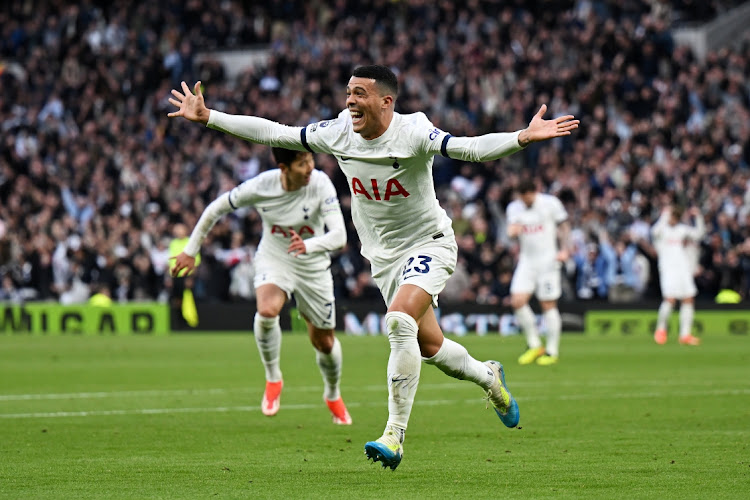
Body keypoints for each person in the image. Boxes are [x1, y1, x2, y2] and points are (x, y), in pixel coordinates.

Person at [167, 65, 578, 469]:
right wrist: (209, 118)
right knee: (429, 347)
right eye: (348, 92)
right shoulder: (339, 131)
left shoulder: (413, 131)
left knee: (399, 320)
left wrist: (521, 137)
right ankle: (489, 377)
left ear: (386, 101)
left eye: (359, 93)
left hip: (429, 243)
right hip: (383, 257)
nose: (350, 101)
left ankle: (394, 435)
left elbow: (469, 148)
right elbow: (277, 132)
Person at [170, 147, 352, 425]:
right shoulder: (261, 186)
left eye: (310, 161)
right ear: (284, 167)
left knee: (324, 342)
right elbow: (215, 208)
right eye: (302, 163)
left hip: (313, 262)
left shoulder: (320, 183)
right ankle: (273, 378)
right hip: (275, 256)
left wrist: (309, 245)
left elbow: (339, 236)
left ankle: (332, 394)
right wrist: (191, 249)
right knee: (267, 310)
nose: (309, 168)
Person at [506, 179, 570, 366]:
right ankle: (534, 344)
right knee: (517, 300)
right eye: (523, 198)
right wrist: (512, 232)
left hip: (548, 261)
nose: (526, 201)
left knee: (547, 304)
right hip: (527, 261)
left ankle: (552, 350)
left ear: (536, 191)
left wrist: (565, 249)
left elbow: (564, 226)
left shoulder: (551, 204)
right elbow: (511, 232)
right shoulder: (514, 208)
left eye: (529, 197)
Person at [651, 205, 705, 346]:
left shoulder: (681, 230)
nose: (673, 218)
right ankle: (661, 330)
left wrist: (698, 217)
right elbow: (654, 232)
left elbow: (699, 234)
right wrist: (664, 214)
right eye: (671, 215)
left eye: (675, 216)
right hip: (668, 269)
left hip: (683, 268)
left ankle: (685, 334)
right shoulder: (662, 230)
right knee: (670, 299)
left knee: (688, 299)